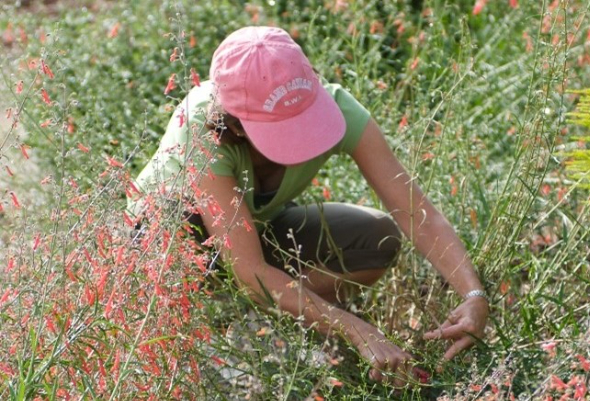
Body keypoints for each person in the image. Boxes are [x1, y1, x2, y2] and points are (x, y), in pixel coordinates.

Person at [130, 26, 489, 387]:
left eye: (304, 122)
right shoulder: (200, 128)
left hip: (254, 232)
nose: (302, 143)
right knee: (174, 227)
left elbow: (416, 211)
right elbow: (249, 272)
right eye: (283, 133)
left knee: (376, 236)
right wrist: (355, 329)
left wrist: (473, 294)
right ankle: (208, 350)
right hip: (167, 249)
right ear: (236, 126)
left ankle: (268, 328)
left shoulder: (340, 107)